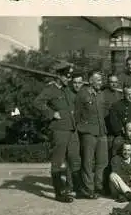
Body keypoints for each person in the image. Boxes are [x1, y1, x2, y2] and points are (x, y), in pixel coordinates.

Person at [33, 62, 81, 203]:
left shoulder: (67, 90)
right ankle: (59, 193)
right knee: (58, 162)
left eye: (69, 76)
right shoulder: (50, 89)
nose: (68, 79)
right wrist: (51, 113)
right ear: (58, 76)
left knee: (73, 159)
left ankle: (72, 188)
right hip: (59, 129)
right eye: (66, 76)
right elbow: (37, 102)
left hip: (72, 129)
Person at [75, 70, 109, 199]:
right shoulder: (82, 94)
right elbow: (76, 115)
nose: (101, 82)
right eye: (98, 80)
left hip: (101, 132)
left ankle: (98, 187)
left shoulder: (100, 94)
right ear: (90, 81)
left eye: (101, 80)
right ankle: (88, 189)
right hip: (88, 132)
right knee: (88, 162)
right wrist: (82, 129)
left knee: (102, 162)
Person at [109, 84, 131, 152]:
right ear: (124, 94)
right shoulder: (116, 105)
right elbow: (113, 121)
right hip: (120, 133)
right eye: (128, 94)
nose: (130, 96)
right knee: (115, 143)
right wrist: (120, 129)